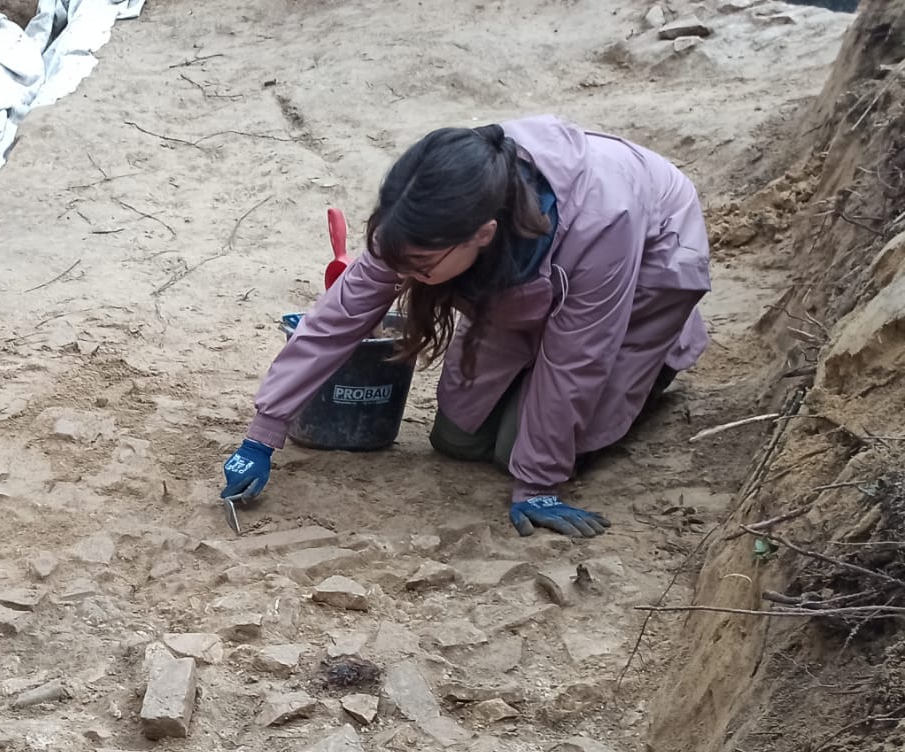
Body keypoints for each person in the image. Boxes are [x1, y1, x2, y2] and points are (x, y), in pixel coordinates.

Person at [219, 117, 711, 539]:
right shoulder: (428, 214)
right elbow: (339, 315)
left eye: (422, 266)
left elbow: (578, 360)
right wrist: (263, 434)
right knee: (459, 441)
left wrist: (537, 485)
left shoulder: (605, 223)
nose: (406, 278)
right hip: (518, 276)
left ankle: (657, 364)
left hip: (643, 264)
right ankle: (530, 350)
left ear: (483, 234)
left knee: (517, 455)